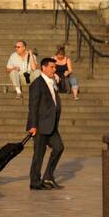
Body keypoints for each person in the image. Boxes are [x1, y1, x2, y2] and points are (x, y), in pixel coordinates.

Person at [27, 57, 64, 190]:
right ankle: (35, 182)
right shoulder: (37, 84)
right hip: (40, 125)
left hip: (51, 125)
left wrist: (59, 81)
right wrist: (32, 126)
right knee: (39, 154)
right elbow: (33, 106)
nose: (54, 70)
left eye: (55, 68)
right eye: (52, 67)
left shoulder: (52, 82)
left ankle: (48, 176)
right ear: (43, 67)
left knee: (59, 147)